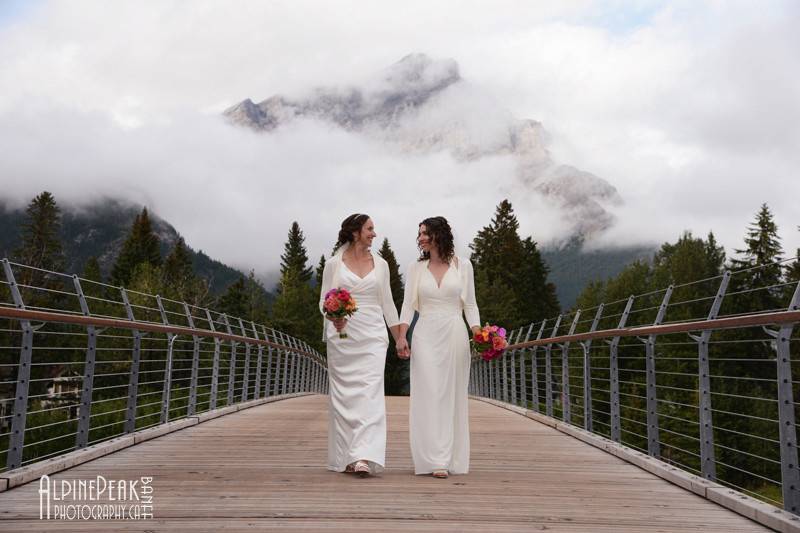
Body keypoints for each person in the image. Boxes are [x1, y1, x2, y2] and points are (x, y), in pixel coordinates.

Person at [319, 213, 409, 477]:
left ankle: (364, 456)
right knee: (345, 396)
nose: (374, 233)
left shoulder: (381, 265)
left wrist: (399, 338)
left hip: (373, 335)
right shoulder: (334, 264)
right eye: (370, 229)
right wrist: (333, 317)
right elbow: (323, 301)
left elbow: (388, 304)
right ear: (356, 232)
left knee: (370, 394)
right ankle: (348, 456)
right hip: (343, 336)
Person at [398, 216, 481, 478]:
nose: (420, 238)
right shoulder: (415, 268)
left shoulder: (463, 265)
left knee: (451, 394)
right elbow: (408, 306)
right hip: (424, 335)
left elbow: (470, 305)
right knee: (429, 394)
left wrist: (479, 335)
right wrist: (401, 337)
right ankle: (433, 458)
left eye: (425, 233)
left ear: (439, 235)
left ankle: (446, 458)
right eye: (419, 234)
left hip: (454, 332)